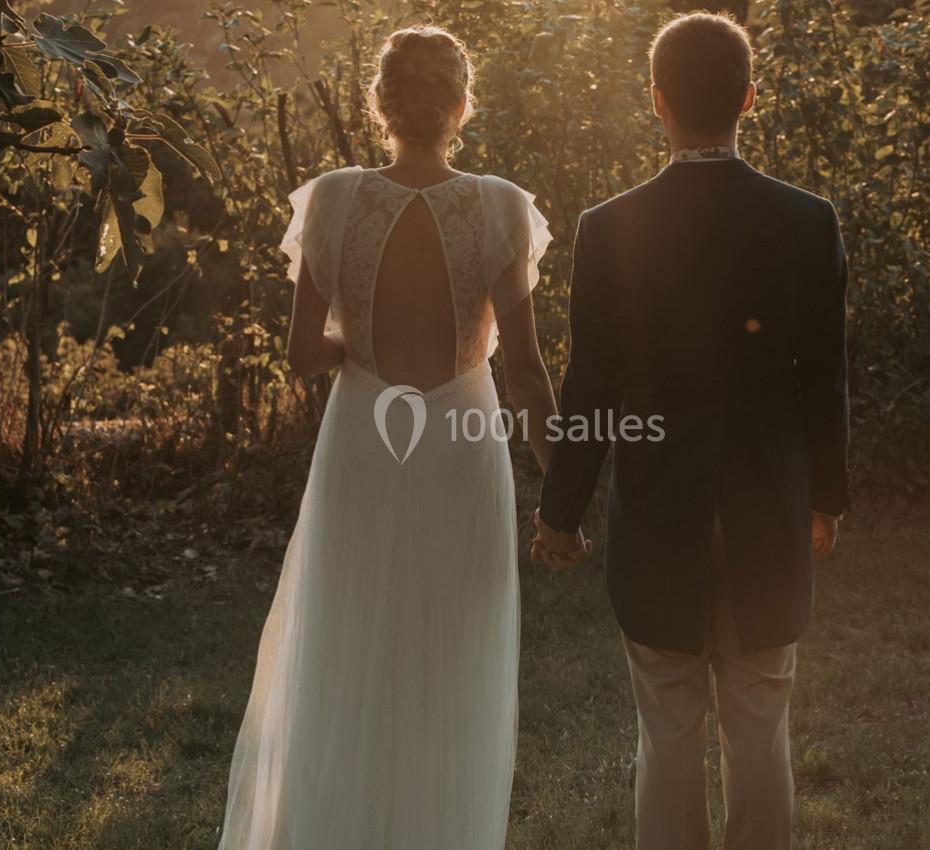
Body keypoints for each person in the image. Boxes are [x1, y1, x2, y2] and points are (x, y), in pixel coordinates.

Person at [216, 25, 557, 849]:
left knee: (348, 648)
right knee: (451, 660)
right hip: (463, 444)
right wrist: (566, 490)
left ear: (380, 104)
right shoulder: (500, 206)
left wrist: (358, 351)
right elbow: (526, 375)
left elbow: (302, 355)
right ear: (462, 105)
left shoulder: (333, 200)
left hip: (363, 440)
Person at [533, 12, 851, 850]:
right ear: (748, 98)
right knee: (761, 720)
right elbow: (823, 374)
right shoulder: (808, 219)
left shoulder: (609, 226)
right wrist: (826, 495)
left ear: (658, 101)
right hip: (767, 501)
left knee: (668, 725)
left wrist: (561, 512)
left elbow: (592, 381)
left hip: (658, 505)